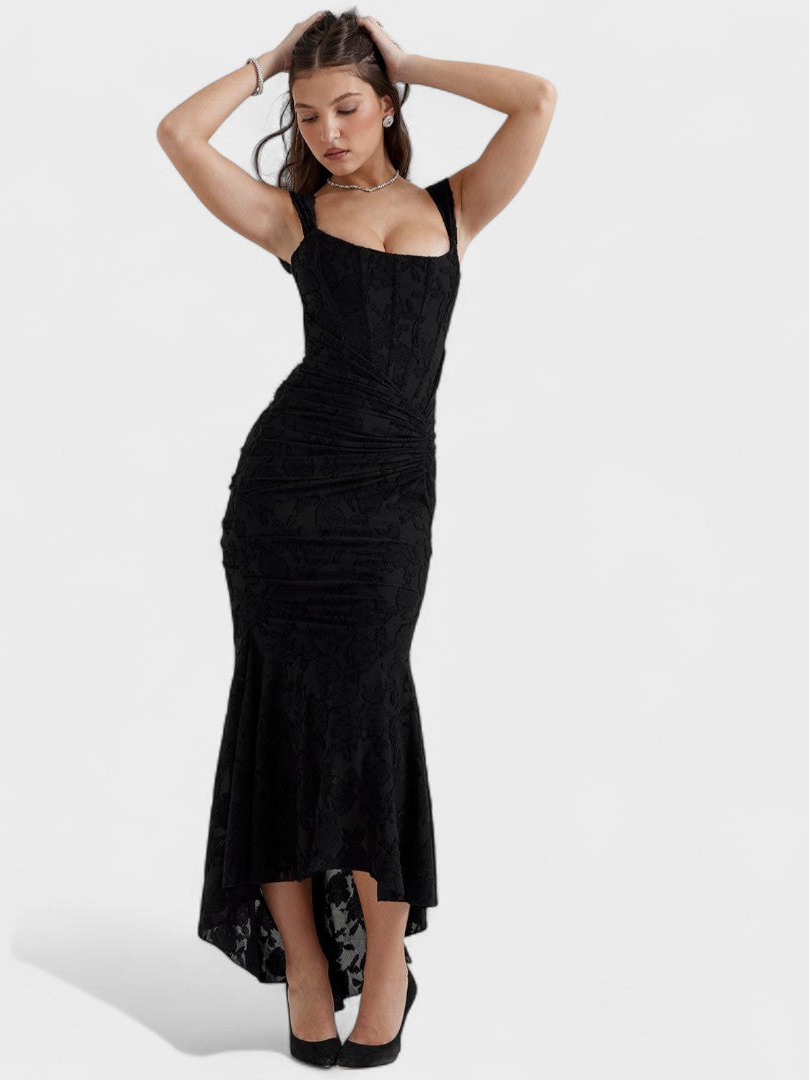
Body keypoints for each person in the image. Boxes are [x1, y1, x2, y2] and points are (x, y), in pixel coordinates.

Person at [158, 8, 556, 1068]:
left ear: (384, 105)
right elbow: (178, 134)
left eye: (346, 107)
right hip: (284, 501)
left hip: (388, 510)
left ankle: (385, 969)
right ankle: (303, 963)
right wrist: (269, 60)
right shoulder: (293, 218)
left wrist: (409, 59)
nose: (327, 132)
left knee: (375, 714)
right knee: (276, 718)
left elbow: (536, 101)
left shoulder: (455, 206)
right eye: (306, 115)